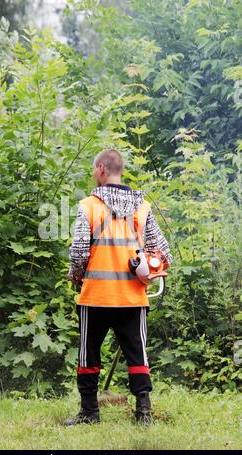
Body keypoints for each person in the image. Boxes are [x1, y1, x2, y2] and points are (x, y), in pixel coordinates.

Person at [64, 149, 173, 426]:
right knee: (138, 355)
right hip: (133, 299)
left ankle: (89, 413)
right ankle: (144, 413)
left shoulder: (88, 206)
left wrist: (75, 275)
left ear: (101, 169)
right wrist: (148, 269)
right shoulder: (142, 207)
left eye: (93, 169)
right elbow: (164, 254)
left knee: (89, 355)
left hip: (95, 297)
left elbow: (78, 253)